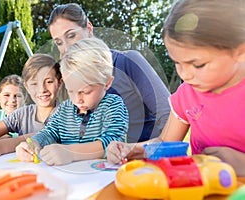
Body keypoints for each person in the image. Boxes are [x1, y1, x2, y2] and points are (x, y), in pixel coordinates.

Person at [107, 0, 245, 176]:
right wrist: (133, 150)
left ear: (240, 51)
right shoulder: (186, 95)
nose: (184, 75)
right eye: (177, 63)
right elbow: (165, 142)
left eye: (198, 64)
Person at [46, 3, 170, 143]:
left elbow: (168, 115)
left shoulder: (127, 61)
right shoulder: (69, 78)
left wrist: (149, 151)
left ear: (89, 28)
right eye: (59, 42)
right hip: (96, 161)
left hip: (138, 158)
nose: (67, 48)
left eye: (71, 35)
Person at [16, 38, 129, 166]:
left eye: (85, 92)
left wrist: (70, 152)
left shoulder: (113, 105)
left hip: (101, 178)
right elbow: (49, 132)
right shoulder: (64, 109)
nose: (77, 99)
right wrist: (32, 144)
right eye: (71, 91)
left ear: (107, 83)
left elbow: (111, 143)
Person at [0, 54, 63, 160]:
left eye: (49, 82)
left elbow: (43, 135)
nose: (42, 89)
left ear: (59, 83)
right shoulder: (22, 113)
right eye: (34, 83)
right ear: (27, 87)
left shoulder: (66, 113)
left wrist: (0, 146)